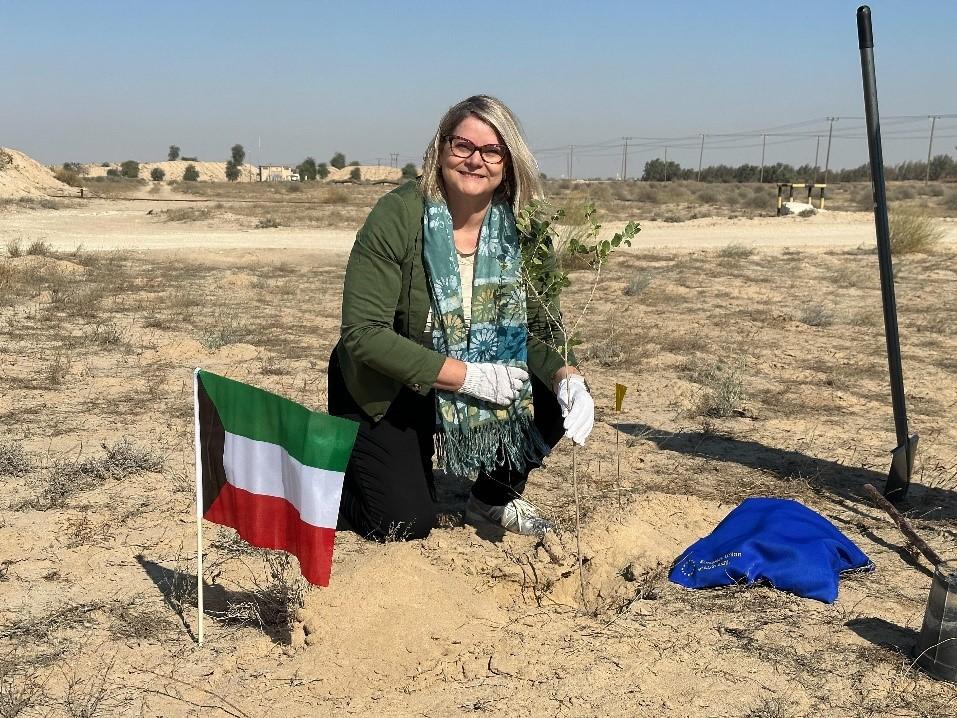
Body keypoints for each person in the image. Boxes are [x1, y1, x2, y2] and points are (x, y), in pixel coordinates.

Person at [328, 95, 594, 541]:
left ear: (508, 162)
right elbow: (364, 334)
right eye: (462, 146)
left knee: (554, 390)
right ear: (440, 148)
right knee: (405, 524)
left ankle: (492, 497)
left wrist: (568, 375)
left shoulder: (525, 232)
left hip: (476, 372)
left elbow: (542, 331)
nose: (476, 161)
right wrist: (465, 376)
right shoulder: (398, 215)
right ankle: (327, 476)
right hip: (389, 385)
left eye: (491, 151)